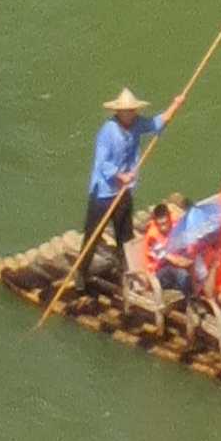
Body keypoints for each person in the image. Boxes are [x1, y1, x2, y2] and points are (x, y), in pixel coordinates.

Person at [79, 89, 161, 297]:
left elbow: (154, 124)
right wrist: (120, 176)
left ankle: (128, 272)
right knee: (93, 234)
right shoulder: (108, 131)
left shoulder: (136, 125)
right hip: (104, 192)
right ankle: (81, 273)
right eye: (127, 111)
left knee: (125, 235)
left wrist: (174, 107)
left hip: (123, 192)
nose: (131, 114)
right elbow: (102, 163)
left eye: (133, 110)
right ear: (119, 112)